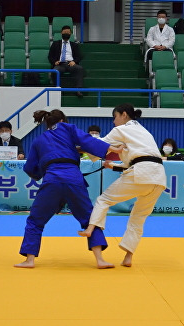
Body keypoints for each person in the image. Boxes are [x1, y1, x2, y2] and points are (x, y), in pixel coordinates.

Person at [14, 109, 122, 269]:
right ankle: (100, 259)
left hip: (52, 180)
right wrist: (112, 149)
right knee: (90, 219)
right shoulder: (68, 129)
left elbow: (30, 167)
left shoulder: (38, 140)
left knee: (36, 220)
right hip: (74, 179)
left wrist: (42, 173)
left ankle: (29, 260)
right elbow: (87, 140)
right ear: (63, 120)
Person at [79, 103, 167, 267]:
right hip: (159, 177)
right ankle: (128, 256)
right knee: (138, 218)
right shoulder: (144, 132)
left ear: (124, 115)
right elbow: (140, 158)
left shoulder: (122, 129)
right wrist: (112, 166)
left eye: (115, 117)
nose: (114, 121)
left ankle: (91, 229)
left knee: (104, 200)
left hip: (141, 172)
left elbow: (99, 145)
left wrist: (78, 148)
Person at [48, 25, 84, 98]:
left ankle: (78, 89)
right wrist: (54, 62)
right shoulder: (55, 44)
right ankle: (58, 90)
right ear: (61, 33)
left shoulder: (74, 45)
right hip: (60, 64)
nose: (66, 34)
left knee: (79, 69)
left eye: (68, 32)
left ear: (70, 34)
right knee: (55, 71)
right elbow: (50, 56)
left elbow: (79, 56)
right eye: (65, 32)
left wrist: (74, 61)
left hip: (70, 64)